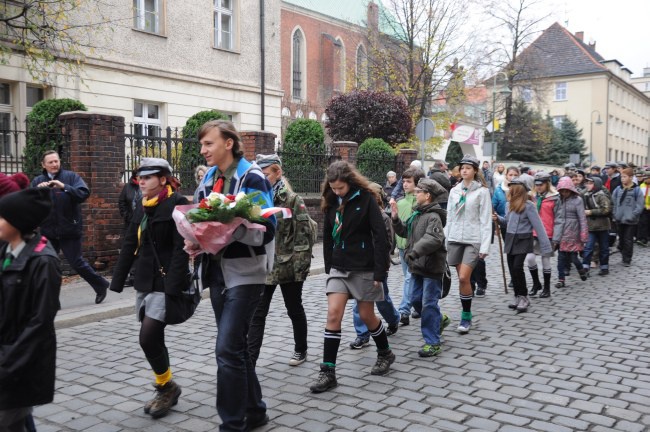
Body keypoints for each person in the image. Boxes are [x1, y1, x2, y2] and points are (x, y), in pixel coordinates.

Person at [191, 120, 275, 431]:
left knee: (226, 349)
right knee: (236, 347)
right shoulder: (209, 178)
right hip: (216, 273)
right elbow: (198, 217)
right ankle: (255, 411)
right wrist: (196, 238)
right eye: (202, 145)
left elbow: (267, 229)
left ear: (229, 143)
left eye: (209, 144)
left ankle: (232, 423)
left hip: (246, 273)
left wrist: (231, 228)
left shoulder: (251, 176)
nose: (203, 150)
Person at [109, 158, 189, 419]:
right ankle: (167, 386)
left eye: (148, 177)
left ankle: (165, 387)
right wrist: (118, 280)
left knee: (147, 336)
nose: (141, 182)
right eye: (139, 178)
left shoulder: (177, 204)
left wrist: (173, 288)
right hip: (145, 280)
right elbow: (130, 242)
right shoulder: (142, 207)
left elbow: (181, 249)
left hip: (166, 282)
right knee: (153, 339)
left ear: (163, 179)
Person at [310, 161, 393, 393]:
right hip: (339, 267)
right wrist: (329, 264)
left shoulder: (366, 198)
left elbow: (380, 236)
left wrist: (380, 270)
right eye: (334, 188)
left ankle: (385, 353)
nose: (337, 192)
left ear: (350, 182)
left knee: (367, 315)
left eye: (341, 188)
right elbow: (327, 234)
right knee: (333, 314)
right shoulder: (329, 199)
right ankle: (328, 372)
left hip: (364, 266)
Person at [0, 188, 60, 432]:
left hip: (18, 361)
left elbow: (40, 322)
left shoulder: (43, 261)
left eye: (2, 216)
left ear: (18, 222)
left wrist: (7, 363)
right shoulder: (6, 251)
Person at [248, 154, 311, 367]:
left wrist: (299, 270)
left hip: (288, 266)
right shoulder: (256, 199)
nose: (262, 179)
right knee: (257, 313)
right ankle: (251, 360)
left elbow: (303, 240)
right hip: (264, 265)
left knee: (294, 308)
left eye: (266, 175)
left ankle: (301, 349)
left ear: (278, 173)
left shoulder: (293, 200)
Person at [31, 150, 110, 304]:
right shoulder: (37, 181)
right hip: (47, 232)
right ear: (43, 165)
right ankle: (44, 297)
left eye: (56, 161)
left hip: (70, 230)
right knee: (42, 261)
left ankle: (100, 285)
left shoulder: (71, 177)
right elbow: (30, 204)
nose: (54, 164)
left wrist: (64, 186)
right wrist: (37, 192)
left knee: (77, 263)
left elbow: (83, 194)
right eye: (51, 162)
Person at [391, 178, 449, 356]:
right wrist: (395, 219)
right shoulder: (417, 214)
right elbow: (404, 231)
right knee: (416, 300)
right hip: (416, 266)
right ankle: (439, 319)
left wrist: (414, 252)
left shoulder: (434, 216)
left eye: (418, 192)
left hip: (432, 268)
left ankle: (432, 342)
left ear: (427, 195)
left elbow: (433, 239)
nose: (415, 194)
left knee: (428, 304)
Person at [348, 182, 401, 349]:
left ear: (376, 199)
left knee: (382, 300)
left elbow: (388, 244)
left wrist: (382, 266)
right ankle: (362, 335)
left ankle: (393, 319)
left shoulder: (383, 218)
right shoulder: (358, 215)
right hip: (359, 265)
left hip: (377, 265)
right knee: (359, 301)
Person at [444, 155, 492, 334]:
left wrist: (485, 246)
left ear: (475, 171)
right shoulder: (454, 191)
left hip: (473, 239)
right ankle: (466, 310)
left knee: (465, 277)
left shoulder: (482, 192)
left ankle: (466, 315)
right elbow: (449, 216)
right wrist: (445, 239)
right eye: (462, 167)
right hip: (455, 238)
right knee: (462, 279)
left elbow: (486, 220)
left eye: (468, 168)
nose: (464, 170)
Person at [494, 178, 551, 313]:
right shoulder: (509, 205)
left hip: (523, 239)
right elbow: (507, 221)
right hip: (510, 239)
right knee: (512, 269)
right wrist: (498, 218)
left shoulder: (529, 206)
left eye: (513, 188)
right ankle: (517, 296)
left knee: (517, 267)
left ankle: (524, 297)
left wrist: (546, 246)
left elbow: (539, 226)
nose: (510, 190)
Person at [394, 166, 425, 326]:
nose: (405, 184)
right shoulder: (400, 202)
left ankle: (404, 311)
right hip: (402, 247)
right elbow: (396, 225)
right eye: (404, 181)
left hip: (415, 248)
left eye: (409, 181)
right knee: (411, 278)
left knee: (409, 278)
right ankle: (418, 306)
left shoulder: (421, 203)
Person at [524, 172, 560, 298]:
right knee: (530, 258)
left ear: (547, 184)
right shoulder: (531, 196)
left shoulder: (555, 197)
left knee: (545, 260)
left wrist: (556, 237)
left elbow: (559, 219)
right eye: (537, 184)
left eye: (542, 184)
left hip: (548, 233)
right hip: (532, 232)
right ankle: (536, 283)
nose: (539, 187)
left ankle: (547, 288)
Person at [553, 177, 589, 288]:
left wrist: (583, 234)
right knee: (561, 258)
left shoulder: (577, 200)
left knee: (574, 258)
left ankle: (581, 269)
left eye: (566, 190)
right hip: (562, 231)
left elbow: (582, 218)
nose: (564, 193)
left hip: (573, 232)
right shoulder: (559, 200)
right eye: (562, 191)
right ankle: (561, 279)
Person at [612, 167, 645, 267]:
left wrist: (633, 215)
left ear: (631, 177)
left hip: (630, 220)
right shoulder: (618, 189)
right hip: (619, 219)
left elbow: (640, 206)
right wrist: (615, 213)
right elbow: (613, 203)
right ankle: (623, 253)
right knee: (621, 239)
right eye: (622, 177)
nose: (622, 179)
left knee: (628, 239)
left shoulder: (637, 190)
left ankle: (627, 259)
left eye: (625, 177)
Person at [582, 176, 611, 276]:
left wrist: (591, 212)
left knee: (604, 248)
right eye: (587, 183)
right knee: (588, 247)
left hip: (602, 226)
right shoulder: (585, 194)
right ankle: (585, 268)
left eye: (590, 183)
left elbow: (606, 209)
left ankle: (604, 268)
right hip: (591, 226)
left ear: (596, 185)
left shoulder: (601, 195)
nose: (587, 185)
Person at [118, 169, 142, 287]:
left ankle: (139, 274)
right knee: (130, 248)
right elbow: (121, 202)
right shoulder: (128, 187)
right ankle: (132, 275)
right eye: (139, 175)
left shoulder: (146, 186)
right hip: (130, 223)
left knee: (141, 248)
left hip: (143, 222)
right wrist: (127, 216)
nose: (141, 178)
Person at [636, 173, 650, 247]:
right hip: (643, 208)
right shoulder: (642, 186)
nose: (645, 179)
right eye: (645, 178)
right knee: (642, 223)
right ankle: (642, 238)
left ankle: (645, 238)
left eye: (647, 178)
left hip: (648, 208)